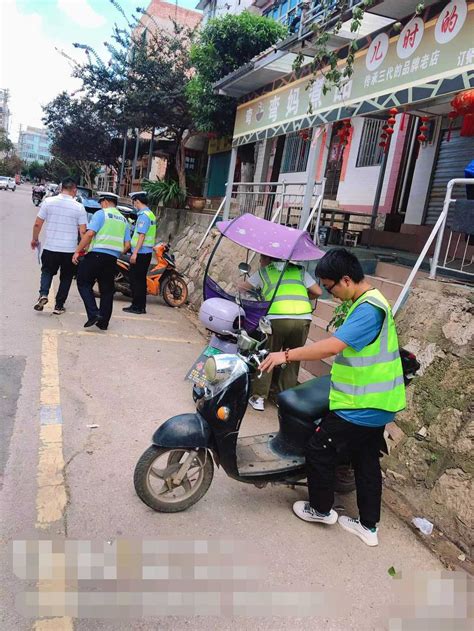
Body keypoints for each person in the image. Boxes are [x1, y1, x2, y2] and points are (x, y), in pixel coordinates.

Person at [260, 249, 406, 546]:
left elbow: (331, 347)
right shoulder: (373, 300)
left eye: (330, 287)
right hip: (378, 402)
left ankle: (321, 509)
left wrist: (284, 354)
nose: (331, 294)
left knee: (319, 448)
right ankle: (368, 528)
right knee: (366, 460)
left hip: (360, 404)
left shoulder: (368, 309)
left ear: (347, 279)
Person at [239, 254, 322, 411]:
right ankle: (284, 400)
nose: (260, 262)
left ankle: (258, 398)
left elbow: (242, 288)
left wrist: (259, 296)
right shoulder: (300, 270)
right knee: (293, 357)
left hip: (276, 318)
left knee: (267, 354)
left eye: (262, 259)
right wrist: (303, 296)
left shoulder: (264, 272)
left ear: (268, 260)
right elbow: (317, 292)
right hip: (303, 318)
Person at [73, 192, 131, 330]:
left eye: (100, 203)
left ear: (104, 202)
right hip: (112, 259)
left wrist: (78, 250)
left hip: (96, 255)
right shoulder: (124, 220)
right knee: (107, 290)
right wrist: (115, 251)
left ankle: (93, 314)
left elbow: (90, 233)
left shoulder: (101, 214)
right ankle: (103, 323)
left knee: (83, 282)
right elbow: (127, 245)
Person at [31, 177, 87, 315]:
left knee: (47, 271)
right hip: (69, 250)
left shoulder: (48, 202)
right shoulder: (79, 207)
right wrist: (82, 249)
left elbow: (38, 223)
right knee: (66, 277)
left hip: (51, 247)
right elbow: (84, 231)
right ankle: (59, 306)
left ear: (61, 188)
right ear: (74, 190)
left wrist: (35, 239)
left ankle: (44, 294)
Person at [122, 191, 157, 314]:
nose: (134, 205)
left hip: (141, 253)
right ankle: (139, 306)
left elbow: (141, 236)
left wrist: (135, 253)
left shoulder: (143, 216)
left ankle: (137, 306)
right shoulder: (150, 214)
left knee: (136, 280)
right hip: (145, 253)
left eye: (134, 202)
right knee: (140, 280)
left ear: (137, 201)